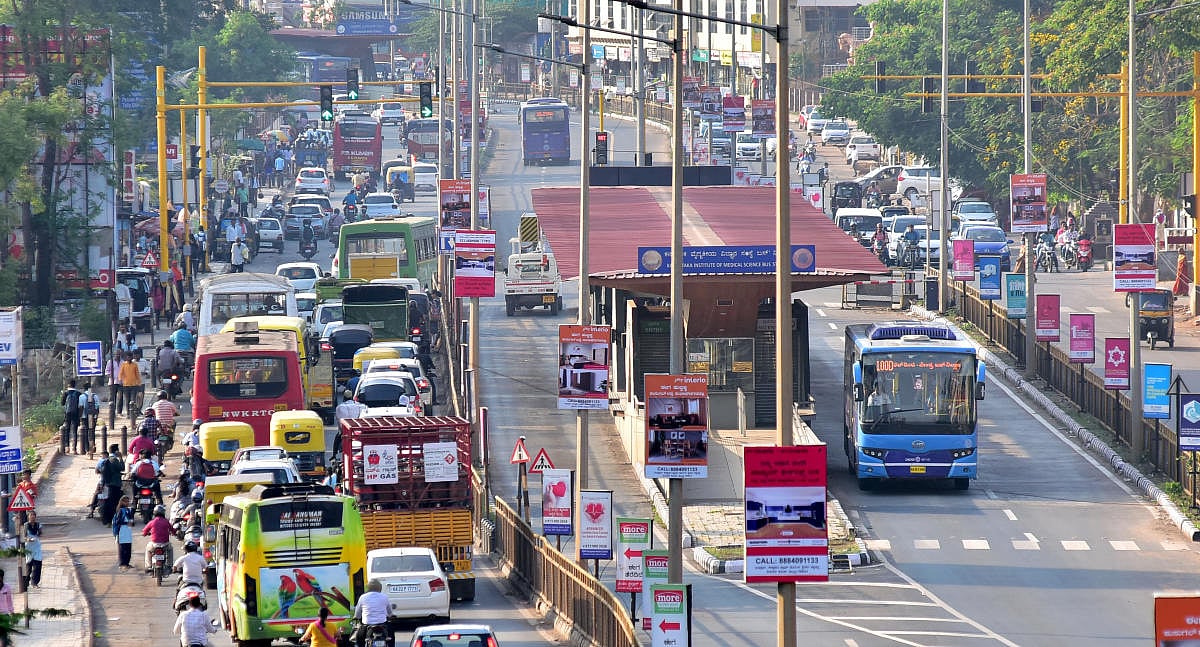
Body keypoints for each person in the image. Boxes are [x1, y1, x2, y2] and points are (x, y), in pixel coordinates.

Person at [351, 579, 389, 647]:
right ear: (379, 587)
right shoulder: (384, 596)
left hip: (367, 623)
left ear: (368, 588)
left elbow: (358, 612)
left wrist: (356, 616)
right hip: (382, 623)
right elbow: (389, 611)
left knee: (359, 639)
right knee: (391, 636)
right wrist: (391, 615)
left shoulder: (363, 597)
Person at [99, 444, 126, 526]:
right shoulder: (114, 460)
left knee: (109, 501)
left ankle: (107, 518)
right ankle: (112, 518)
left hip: (107, 483)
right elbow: (122, 468)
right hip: (115, 483)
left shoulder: (105, 460)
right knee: (115, 502)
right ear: (116, 451)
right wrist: (121, 458)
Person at [142, 504, 174, 571]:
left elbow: (144, 531)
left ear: (154, 513)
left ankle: (148, 566)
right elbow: (172, 530)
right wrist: (174, 533)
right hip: (165, 544)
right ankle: (169, 565)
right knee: (170, 549)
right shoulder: (166, 521)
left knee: (148, 550)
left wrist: (145, 534)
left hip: (154, 544)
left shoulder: (152, 522)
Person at [61, 379, 82, 455]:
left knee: (67, 430)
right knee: (74, 431)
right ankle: (74, 449)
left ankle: (67, 447)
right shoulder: (78, 393)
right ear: (75, 385)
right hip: (75, 414)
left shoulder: (65, 393)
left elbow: (62, 403)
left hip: (67, 414)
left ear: (68, 385)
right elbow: (80, 405)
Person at [113, 495, 134, 569]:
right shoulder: (120, 511)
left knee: (128, 548)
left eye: (128, 501)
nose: (128, 503)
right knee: (122, 548)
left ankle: (127, 563)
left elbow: (131, 520)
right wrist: (126, 523)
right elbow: (117, 522)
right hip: (122, 531)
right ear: (122, 502)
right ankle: (122, 563)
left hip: (128, 531)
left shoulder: (129, 510)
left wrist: (131, 523)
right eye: (126, 501)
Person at [119, 353, 142, 418]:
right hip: (126, 385)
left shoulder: (135, 365)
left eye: (130, 357)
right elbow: (121, 373)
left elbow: (137, 374)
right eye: (128, 357)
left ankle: (133, 413)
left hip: (134, 385)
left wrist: (139, 383)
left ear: (132, 357)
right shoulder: (123, 364)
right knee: (127, 400)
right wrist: (120, 380)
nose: (129, 358)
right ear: (126, 357)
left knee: (133, 400)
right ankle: (128, 414)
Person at [80, 382, 100, 455]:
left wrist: (80, 418)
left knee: (85, 432)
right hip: (92, 416)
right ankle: (93, 445)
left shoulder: (82, 396)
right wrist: (96, 416)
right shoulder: (95, 396)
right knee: (92, 432)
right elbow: (97, 406)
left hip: (85, 417)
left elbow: (81, 407)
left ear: (84, 388)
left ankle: (87, 449)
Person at [24, 512, 41, 588]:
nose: (32, 517)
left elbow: (40, 533)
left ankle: (34, 583)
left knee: (37, 566)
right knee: (28, 566)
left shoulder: (38, 525)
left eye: (34, 515)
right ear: (28, 517)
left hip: (37, 547)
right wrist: (28, 539)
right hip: (29, 547)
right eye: (31, 515)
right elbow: (23, 536)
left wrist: (38, 534)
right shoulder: (25, 525)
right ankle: (26, 583)